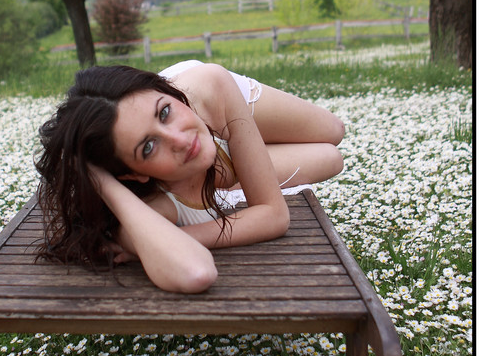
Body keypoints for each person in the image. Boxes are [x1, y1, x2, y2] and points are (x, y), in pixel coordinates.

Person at [35, 60, 344, 294]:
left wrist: (180, 237)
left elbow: (272, 216)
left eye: (165, 112)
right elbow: (197, 271)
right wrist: (100, 180)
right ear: (131, 174)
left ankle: (238, 145)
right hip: (209, 159)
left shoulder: (212, 87)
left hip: (210, 110)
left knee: (334, 131)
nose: (180, 140)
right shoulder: (152, 207)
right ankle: (242, 163)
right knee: (331, 159)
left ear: (169, 96)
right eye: (149, 147)